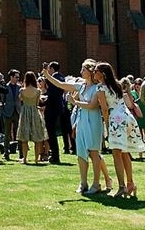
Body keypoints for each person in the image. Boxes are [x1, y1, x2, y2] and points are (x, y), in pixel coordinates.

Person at [44, 60, 108, 194]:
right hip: (82, 120)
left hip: (93, 120)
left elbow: (92, 106)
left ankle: (96, 184)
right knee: (81, 152)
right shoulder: (81, 85)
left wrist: (75, 102)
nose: (81, 72)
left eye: (83, 69)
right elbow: (61, 84)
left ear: (90, 72)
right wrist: (47, 76)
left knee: (93, 152)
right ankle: (83, 183)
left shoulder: (98, 88)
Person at [100, 63, 144, 198]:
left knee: (116, 153)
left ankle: (121, 186)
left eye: (96, 71)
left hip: (116, 119)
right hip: (126, 117)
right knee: (124, 152)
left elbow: (105, 109)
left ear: (102, 74)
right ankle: (130, 183)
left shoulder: (101, 87)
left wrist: (107, 124)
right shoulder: (117, 85)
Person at [17, 71, 48, 165]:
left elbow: (21, 99)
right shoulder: (38, 91)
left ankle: (25, 158)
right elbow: (37, 103)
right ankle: (36, 159)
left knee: (24, 138)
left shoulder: (22, 90)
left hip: (25, 113)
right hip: (34, 112)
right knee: (37, 137)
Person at [42, 61, 66, 164]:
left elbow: (53, 93)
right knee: (53, 132)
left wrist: (44, 102)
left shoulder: (55, 77)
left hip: (52, 107)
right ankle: (54, 154)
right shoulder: (61, 76)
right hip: (58, 106)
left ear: (52, 69)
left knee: (51, 132)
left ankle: (55, 156)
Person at [0, 70, 22, 160]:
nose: (18, 79)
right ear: (11, 77)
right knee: (7, 133)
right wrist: (3, 112)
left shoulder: (20, 87)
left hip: (17, 112)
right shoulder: (5, 87)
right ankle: (6, 153)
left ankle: (21, 153)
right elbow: (1, 100)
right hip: (7, 112)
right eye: (16, 77)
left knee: (19, 134)